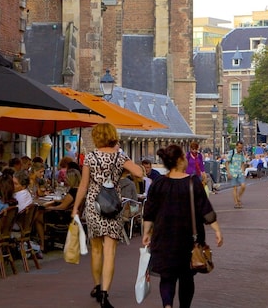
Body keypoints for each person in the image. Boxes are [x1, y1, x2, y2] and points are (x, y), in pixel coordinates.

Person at [71, 123, 145, 308]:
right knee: (110, 251)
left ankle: (96, 286)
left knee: (96, 249)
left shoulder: (90, 157)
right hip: (113, 205)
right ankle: (105, 294)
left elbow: (83, 185)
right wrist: (123, 167)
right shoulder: (119, 157)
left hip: (94, 205)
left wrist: (75, 208)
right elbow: (140, 173)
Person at [142, 144, 222, 308]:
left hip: (164, 238)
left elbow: (149, 212)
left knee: (167, 276)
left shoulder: (158, 184)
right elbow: (205, 209)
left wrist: (146, 232)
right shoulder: (193, 183)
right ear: (179, 160)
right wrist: (217, 230)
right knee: (186, 277)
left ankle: (167, 305)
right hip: (188, 239)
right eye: (184, 157)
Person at [226, 141, 249, 209]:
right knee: (235, 188)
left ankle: (238, 196)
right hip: (233, 172)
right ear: (236, 146)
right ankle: (236, 203)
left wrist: (243, 171)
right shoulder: (231, 152)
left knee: (243, 186)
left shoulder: (241, 153)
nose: (240, 149)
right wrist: (228, 172)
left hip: (239, 172)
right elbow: (227, 162)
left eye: (241, 148)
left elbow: (242, 162)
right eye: (239, 148)